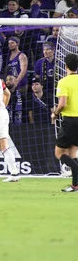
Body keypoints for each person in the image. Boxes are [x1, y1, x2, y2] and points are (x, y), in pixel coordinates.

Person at [52, 54, 78, 191]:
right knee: (72, 153)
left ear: (66, 65)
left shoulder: (64, 82)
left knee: (59, 153)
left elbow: (62, 103)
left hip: (71, 120)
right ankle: (75, 184)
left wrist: (55, 114)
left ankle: (75, 183)